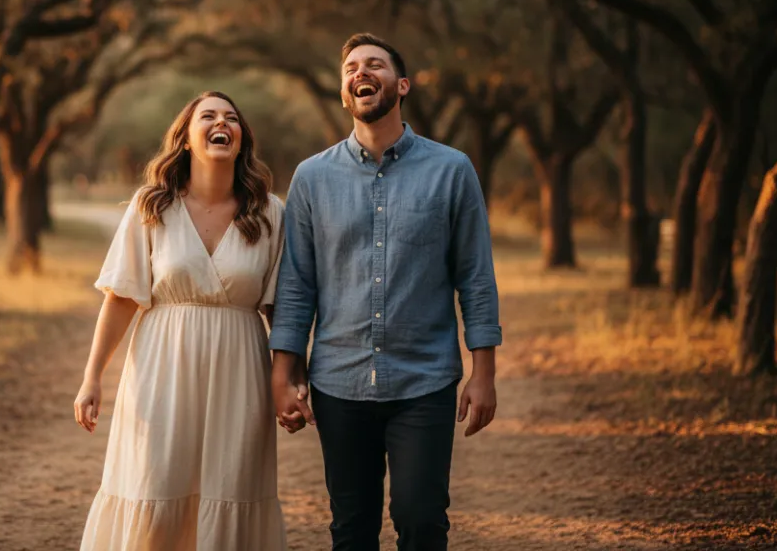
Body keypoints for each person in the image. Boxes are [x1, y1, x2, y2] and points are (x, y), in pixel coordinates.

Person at [270, 33, 503, 551]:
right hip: (339, 382)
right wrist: (283, 376)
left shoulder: (452, 170)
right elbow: (297, 285)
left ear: (402, 85)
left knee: (421, 520)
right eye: (351, 67)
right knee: (351, 529)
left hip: (425, 380)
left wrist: (483, 373)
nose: (361, 72)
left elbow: (475, 277)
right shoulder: (311, 178)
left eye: (375, 64)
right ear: (344, 93)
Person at [74, 91, 288, 551]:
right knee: (155, 479)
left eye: (231, 118)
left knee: (232, 484)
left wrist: (290, 380)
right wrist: (92, 378)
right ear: (186, 138)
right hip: (161, 368)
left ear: (241, 138)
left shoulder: (269, 212)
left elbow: (279, 309)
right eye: (208, 116)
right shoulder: (152, 206)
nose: (222, 123)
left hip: (239, 372)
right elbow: (121, 298)